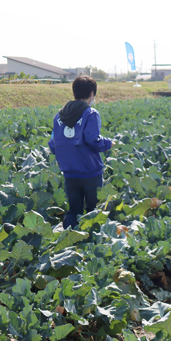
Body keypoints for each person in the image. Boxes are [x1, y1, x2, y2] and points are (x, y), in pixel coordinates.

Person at [48, 75, 114, 229]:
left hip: (69, 173)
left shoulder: (59, 116)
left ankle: (68, 241)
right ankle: (92, 244)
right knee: (93, 211)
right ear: (91, 94)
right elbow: (93, 140)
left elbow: (53, 143)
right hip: (90, 172)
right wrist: (108, 143)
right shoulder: (91, 114)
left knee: (74, 210)